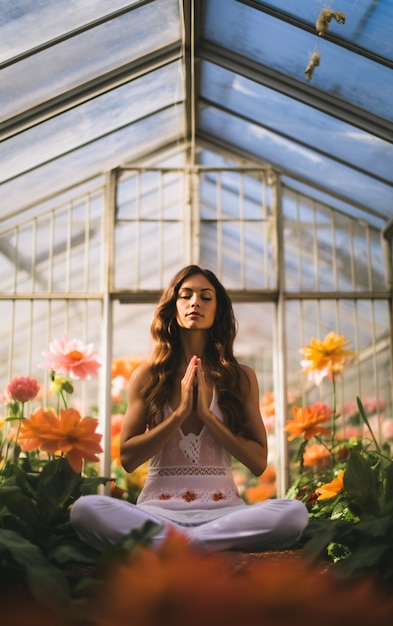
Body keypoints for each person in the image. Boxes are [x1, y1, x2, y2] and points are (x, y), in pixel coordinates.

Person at [71, 265, 308, 551]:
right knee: (85, 509)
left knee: (294, 514)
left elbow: (258, 462)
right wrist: (181, 412)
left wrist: (208, 417)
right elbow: (129, 458)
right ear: (174, 308)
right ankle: (197, 544)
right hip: (157, 514)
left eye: (206, 297)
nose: (195, 302)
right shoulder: (147, 377)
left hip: (224, 514)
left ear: (217, 311)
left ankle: (181, 545)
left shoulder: (241, 377)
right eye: (186, 295)